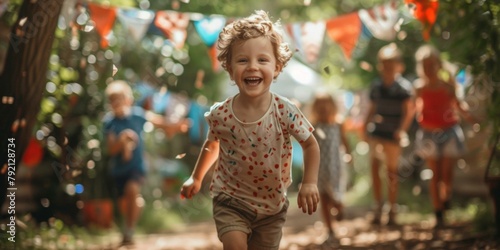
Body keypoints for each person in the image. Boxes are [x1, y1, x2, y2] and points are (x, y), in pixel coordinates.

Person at [180, 10, 320, 250]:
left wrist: (309, 182)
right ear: (229, 68)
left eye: (262, 60)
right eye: (243, 60)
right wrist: (197, 176)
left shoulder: (285, 111)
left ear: (277, 67)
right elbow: (212, 145)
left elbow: (310, 144)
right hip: (230, 200)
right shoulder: (220, 114)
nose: (252, 67)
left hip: (272, 208)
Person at [103, 80, 188, 245]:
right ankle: (133, 214)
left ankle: (129, 230)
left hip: (136, 167)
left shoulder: (137, 115)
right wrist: (121, 141)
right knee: (124, 203)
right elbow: (111, 149)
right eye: (113, 101)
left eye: (120, 99)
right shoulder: (110, 122)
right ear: (110, 104)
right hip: (119, 169)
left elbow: (158, 121)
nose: (117, 104)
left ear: (129, 100)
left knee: (132, 189)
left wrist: (176, 125)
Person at [413, 44, 477, 228]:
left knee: (447, 173)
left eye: (432, 64)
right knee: (435, 174)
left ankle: (445, 197)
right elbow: (413, 110)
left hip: (449, 132)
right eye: (425, 65)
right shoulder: (419, 88)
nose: (429, 69)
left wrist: (472, 119)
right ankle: (438, 210)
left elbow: (458, 106)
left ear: (439, 65)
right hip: (428, 134)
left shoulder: (448, 86)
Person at [362, 43, 415, 226]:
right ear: (380, 66)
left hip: (393, 136)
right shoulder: (376, 86)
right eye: (385, 65)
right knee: (375, 168)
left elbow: (409, 111)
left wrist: (401, 130)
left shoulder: (404, 88)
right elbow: (372, 108)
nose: (388, 69)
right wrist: (365, 126)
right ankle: (378, 206)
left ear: (399, 66)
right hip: (377, 133)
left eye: (391, 65)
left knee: (392, 172)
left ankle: (392, 209)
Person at [309, 93, 352, 243]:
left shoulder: (338, 125)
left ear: (333, 107)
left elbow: (344, 142)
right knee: (324, 198)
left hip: (336, 167)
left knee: (336, 195)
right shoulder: (313, 127)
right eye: (319, 105)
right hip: (320, 169)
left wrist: (349, 155)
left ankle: (339, 207)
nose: (323, 108)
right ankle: (330, 228)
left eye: (326, 104)